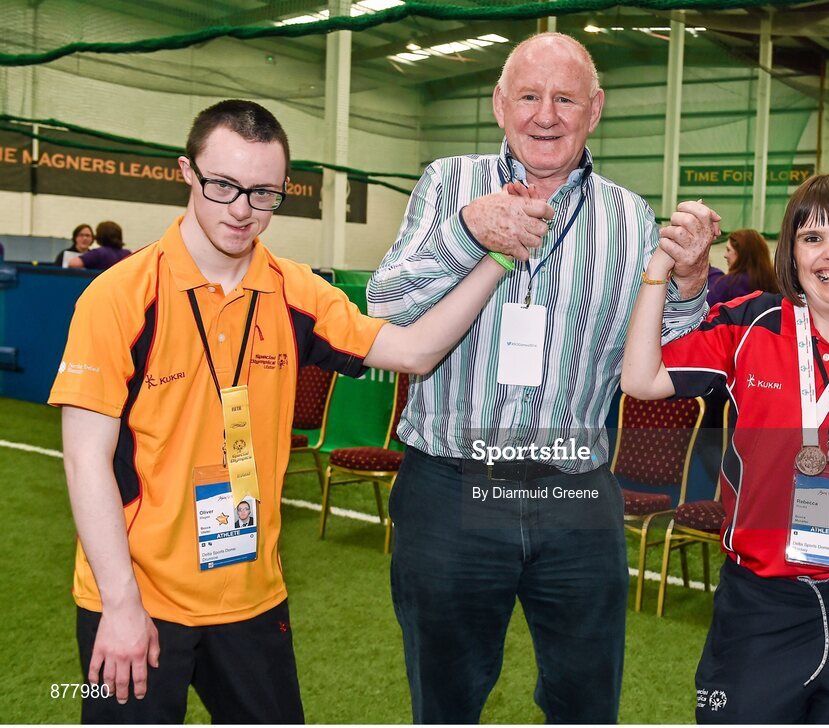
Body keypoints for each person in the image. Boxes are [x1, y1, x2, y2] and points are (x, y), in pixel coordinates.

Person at [49, 99, 507, 724]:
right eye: (223, 186)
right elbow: (84, 460)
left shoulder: (295, 290)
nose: (241, 209)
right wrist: (120, 604)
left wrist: (498, 258)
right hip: (136, 602)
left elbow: (416, 351)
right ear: (187, 172)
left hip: (251, 599)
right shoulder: (120, 298)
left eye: (263, 194)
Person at [367, 32, 713, 723]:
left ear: (596, 110)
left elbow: (661, 356)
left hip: (575, 494)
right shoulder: (447, 185)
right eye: (529, 96)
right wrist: (467, 232)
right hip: (450, 483)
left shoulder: (628, 217)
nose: (545, 115)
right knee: (445, 701)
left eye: (565, 98)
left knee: (585, 703)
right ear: (500, 104)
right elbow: (387, 310)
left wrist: (692, 282)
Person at [623, 173, 829, 723]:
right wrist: (659, 271)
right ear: (790, 253)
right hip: (763, 606)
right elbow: (641, 378)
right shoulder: (749, 325)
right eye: (811, 238)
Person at [707, 228, 779, 306]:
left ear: (741, 253)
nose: (725, 255)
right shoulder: (775, 284)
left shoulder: (728, 284)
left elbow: (706, 311)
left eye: (728, 250)